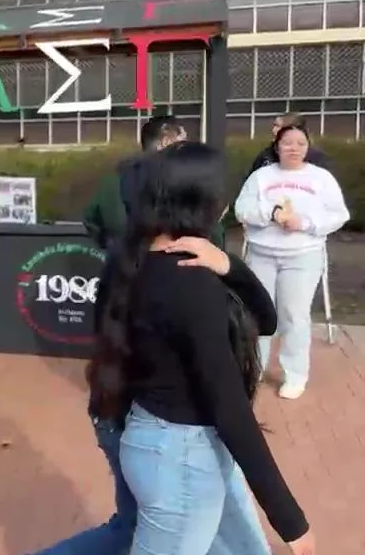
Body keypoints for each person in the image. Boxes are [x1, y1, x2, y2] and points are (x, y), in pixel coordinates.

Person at [54, 142, 313, 555]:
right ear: (207, 202)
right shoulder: (189, 283)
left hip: (153, 434)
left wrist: (228, 265)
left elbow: (265, 320)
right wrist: (291, 521)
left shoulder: (135, 259)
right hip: (181, 453)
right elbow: (229, 406)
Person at [235, 123, 348, 400]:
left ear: (307, 147)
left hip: (302, 256)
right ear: (277, 146)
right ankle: (254, 367)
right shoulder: (261, 176)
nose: (294, 148)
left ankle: (295, 375)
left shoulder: (320, 178)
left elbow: (338, 215)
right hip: (261, 254)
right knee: (257, 312)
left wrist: (305, 223)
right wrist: (270, 213)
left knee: (294, 315)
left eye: (300, 143)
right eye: (287, 143)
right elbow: (242, 209)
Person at [82, 115, 186, 252]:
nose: (185, 149)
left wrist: (114, 246)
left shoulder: (113, 180)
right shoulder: (181, 181)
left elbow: (91, 221)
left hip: (122, 259)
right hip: (173, 260)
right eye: (182, 142)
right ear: (166, 141)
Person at [247, 113, 330, 177]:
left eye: (278, 126)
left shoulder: (316, 159)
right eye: (274, 125)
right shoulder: (266, 156)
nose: (273, 130)